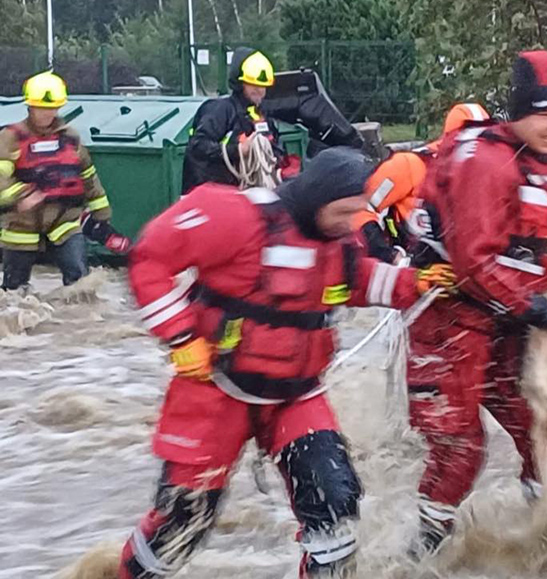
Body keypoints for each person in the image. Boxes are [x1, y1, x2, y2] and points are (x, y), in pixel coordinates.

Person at [119, 147, 455, 579]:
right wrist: (181, 336)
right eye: (343, 212)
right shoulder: (236, 216)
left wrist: (416, 283)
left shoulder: (339, 240)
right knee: (184, 518)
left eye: (356, 213)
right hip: (216, 388)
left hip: (297, 395)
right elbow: (150, 258)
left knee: (335, 504)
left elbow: (359, 280)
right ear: (318, 199)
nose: (350, 223)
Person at [405, 51, 547, 556]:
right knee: (461, 450)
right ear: (518, 113)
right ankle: (421, 556)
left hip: (508, 321)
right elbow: (474, 263)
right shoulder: (484, 163)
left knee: (545, 430)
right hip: (449, 319)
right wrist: (540, 310)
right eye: (543, 114)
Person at [0, 71, 129, 290]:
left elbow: (88, 175)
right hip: (21, 225)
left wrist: (102, 212)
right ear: (30, 106)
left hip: (65, 221)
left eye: (52, 108)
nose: (47, 113)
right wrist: (20, 195)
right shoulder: (11, 138)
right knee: (14, 290)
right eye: (42, 107)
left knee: (81, 285)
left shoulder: (70, 137)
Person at [358, 103, 489, 263]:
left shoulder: (484, 179)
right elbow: (360, 211)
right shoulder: (408, 165)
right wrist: (392, 257)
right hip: (405, 268)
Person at [181, 47, 299, 193]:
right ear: (239, 83)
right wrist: (238, 151)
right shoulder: (221, 110)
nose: (259, 90)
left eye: (263, 86)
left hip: (251, 195)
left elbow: (277, 151)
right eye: (253, 84)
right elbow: (198, 146)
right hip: (217, 194)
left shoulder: (262, 116)